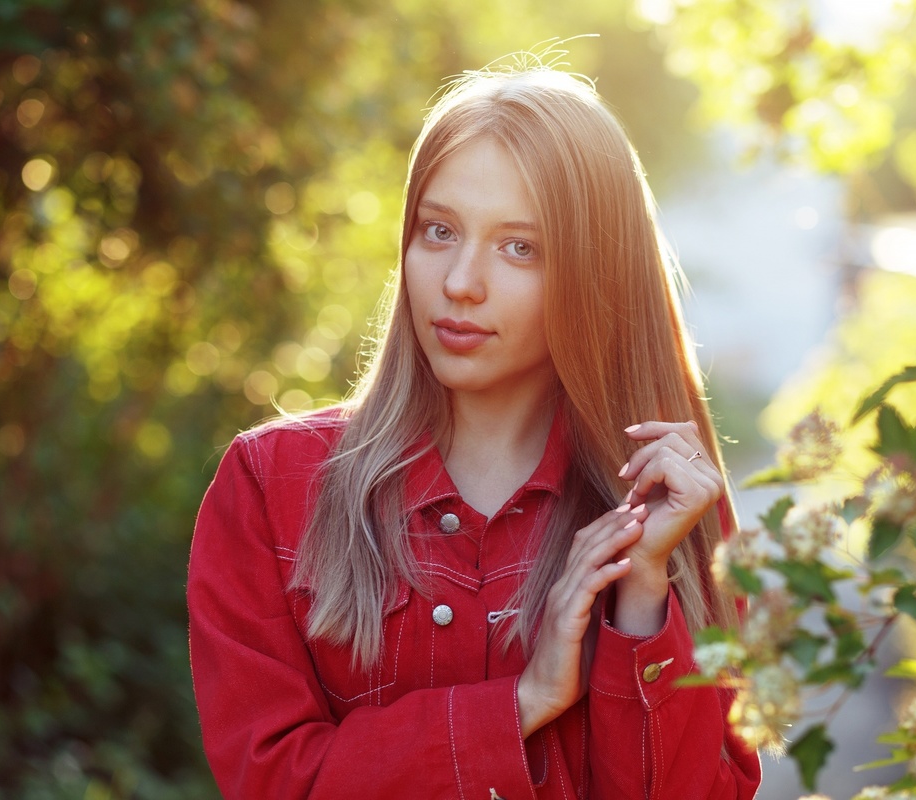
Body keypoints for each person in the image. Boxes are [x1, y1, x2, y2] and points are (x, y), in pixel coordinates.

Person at [187, 61, 761, 799]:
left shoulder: (669, 510)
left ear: (596, 274)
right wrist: (520, 706)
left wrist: (643, 597)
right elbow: (274, 786)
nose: (461, 280)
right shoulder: (270, 486)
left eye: (519, 246)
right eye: (439, 231)